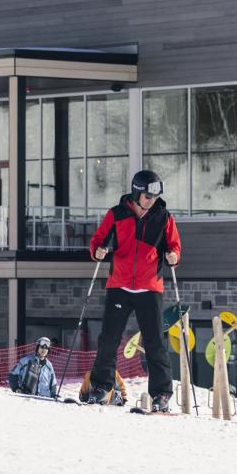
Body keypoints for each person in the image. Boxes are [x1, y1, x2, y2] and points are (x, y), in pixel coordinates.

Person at [84, 170, 182, 413]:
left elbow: (175, 248)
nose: (152, 201)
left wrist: (173, 256)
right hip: (120, 285)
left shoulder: (164, 217)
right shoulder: (116, 214)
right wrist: (97, 252)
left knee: (155, 342)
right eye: (148, 196)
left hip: (150, 287)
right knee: (109, 339)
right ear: (137, 193)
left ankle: (161, 394)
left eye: (155, 197)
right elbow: (97, 242)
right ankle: (101, 387)